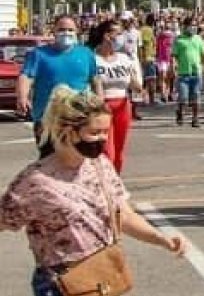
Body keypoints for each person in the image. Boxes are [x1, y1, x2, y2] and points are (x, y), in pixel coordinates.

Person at [1, 86, 186, 296]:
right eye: (94, 132)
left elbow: (123, 215)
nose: (103, 139)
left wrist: (161, 239)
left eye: (106, 132)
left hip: (102, 273)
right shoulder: (35, 182)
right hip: (61, 282)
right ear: (68, 131)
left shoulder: (100, 165)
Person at [17, 16, 102, 147]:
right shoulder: (38, 54)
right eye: (61, 29)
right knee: (48, 159)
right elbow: (26, 76)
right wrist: (22, 97)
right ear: (54, 30)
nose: (66, 33)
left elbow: (95, 80)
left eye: (70, 30)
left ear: (77, 31)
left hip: (79, 117)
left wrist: (100, 103)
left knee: (76, 158)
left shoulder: (86, 53)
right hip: (46, 116)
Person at [86, 20, 141, 174]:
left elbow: (134, 84)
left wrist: (138, 84)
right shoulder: (93, 59)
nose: (121, 37)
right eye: (117, 34)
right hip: (103, 106)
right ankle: (104, 178)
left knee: (119, 150)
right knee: (107, 150)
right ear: (107, 36)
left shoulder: (124, 58)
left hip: (123, 105)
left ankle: (115, 180)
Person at [171, 21, 204, 128]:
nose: (193, 27)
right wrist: (173, 67)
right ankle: (180, 113)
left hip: (196, 73)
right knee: (183, 97)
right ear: (185, 27)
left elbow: (203, 54)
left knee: (196, 96)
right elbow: (174, 56)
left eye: (194, 25)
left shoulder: (198, 39)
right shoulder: (179, 39)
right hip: (183, 74)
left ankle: (195, 119)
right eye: (191, 25)